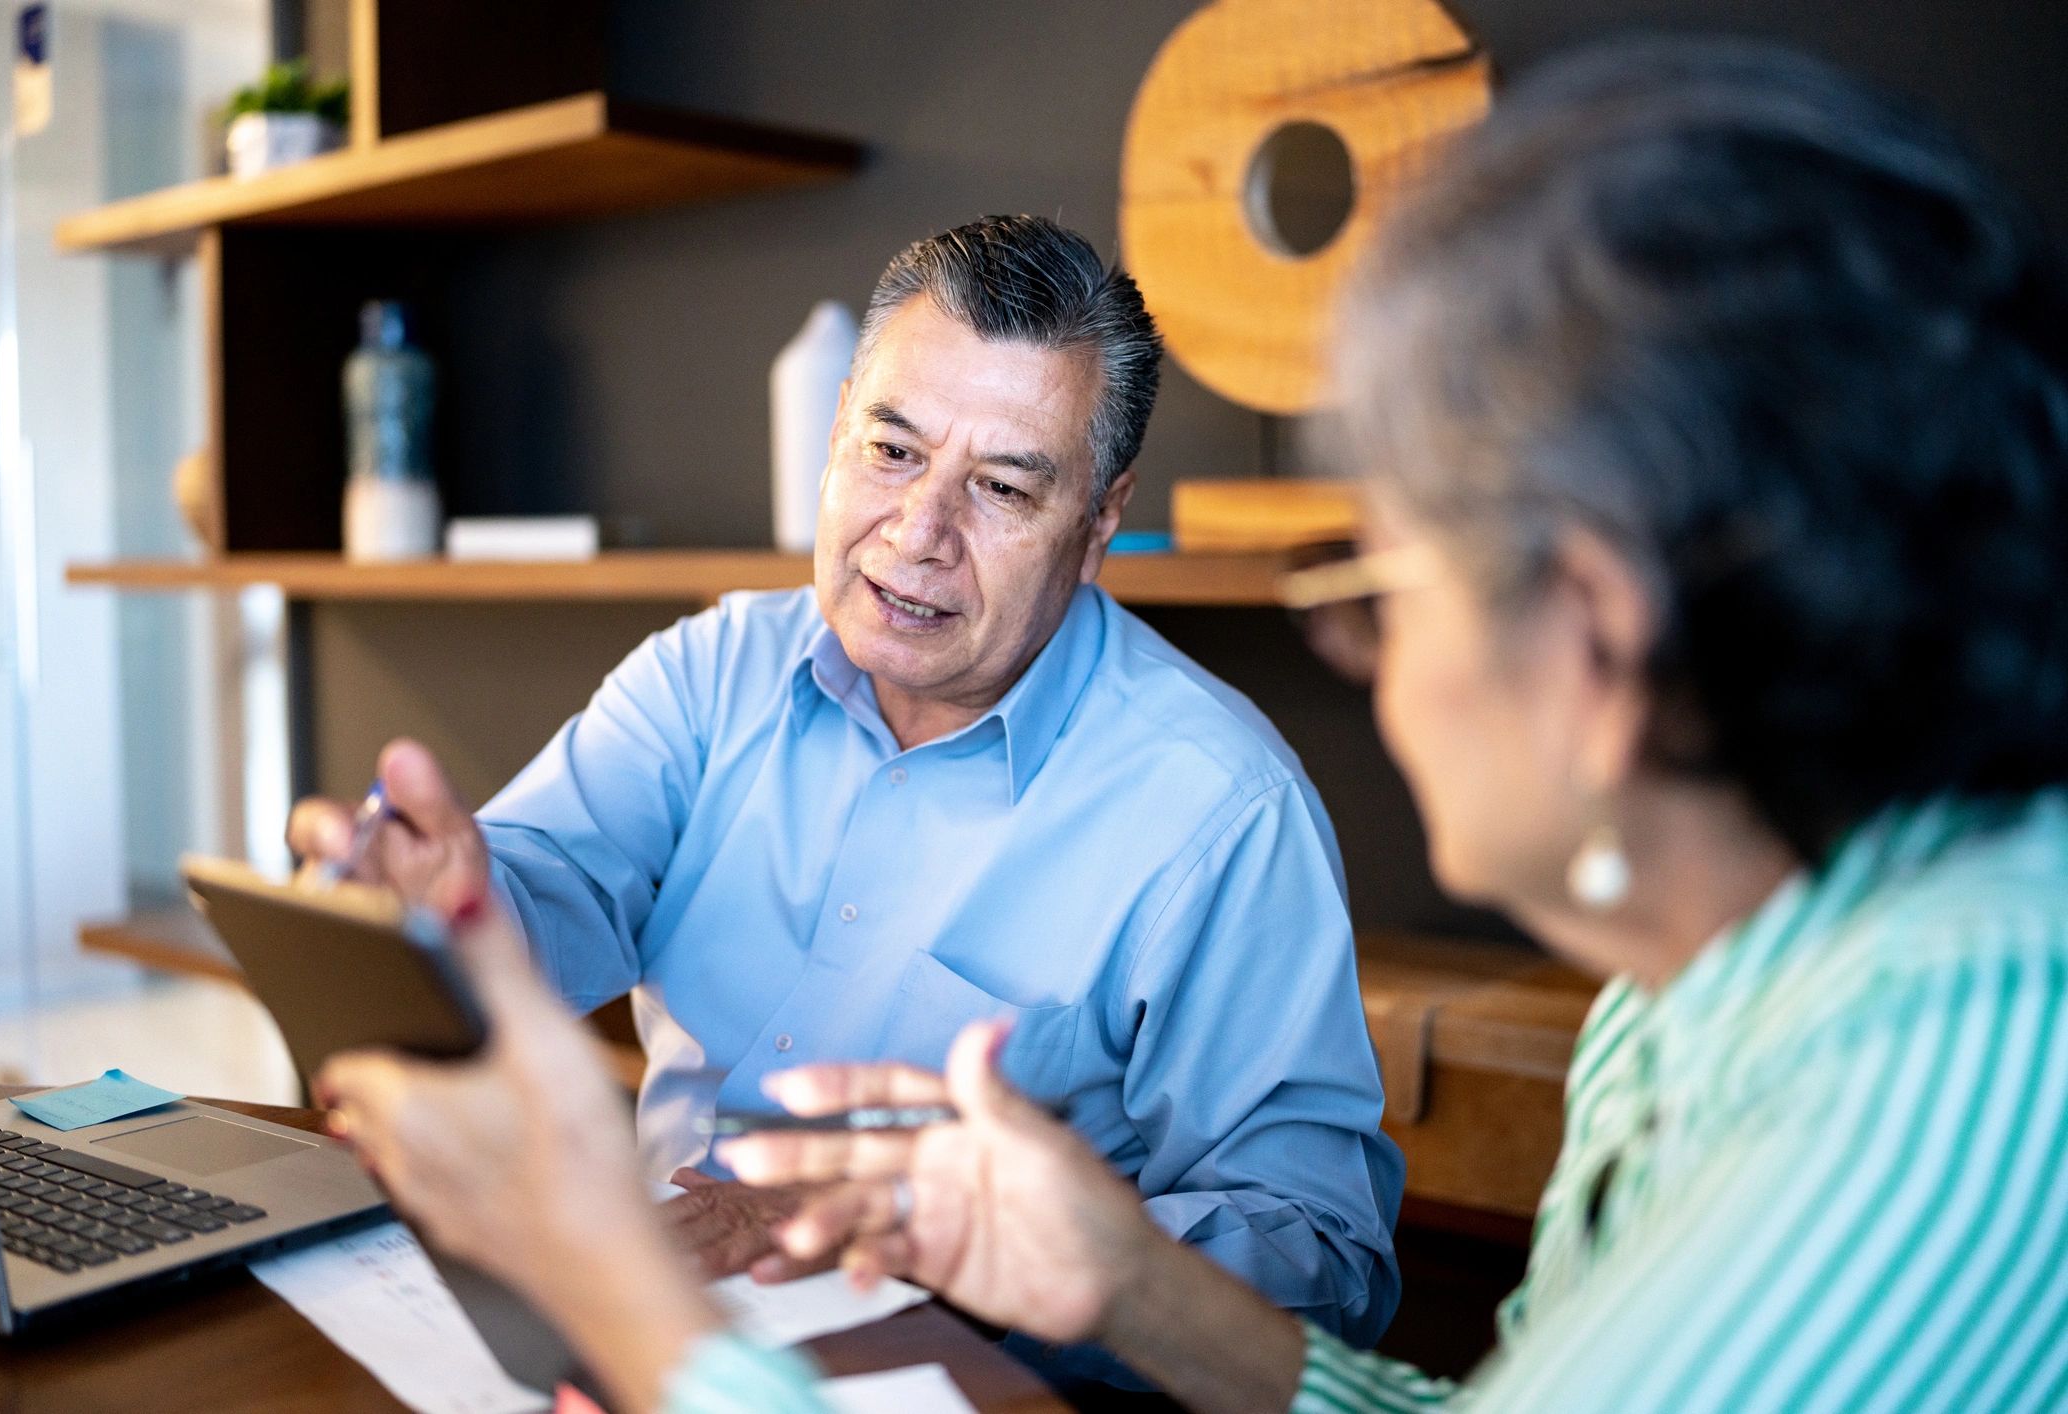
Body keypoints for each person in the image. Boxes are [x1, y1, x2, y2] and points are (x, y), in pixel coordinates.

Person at [318, 36, 2068, 1413]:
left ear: (1593, 631)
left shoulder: (1950, 1051)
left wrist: (618, 1279)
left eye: (1387, 574)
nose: (1366, 657)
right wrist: (1114, 1268)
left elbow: (1324, 1242)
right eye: (889, 448)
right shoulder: (1675, 1001)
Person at [289, 214, 1403, 1360]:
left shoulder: (1219, 809)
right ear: (834, 434)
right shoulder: (710, 672)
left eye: (1004, 489)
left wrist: (942, 1236)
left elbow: (1324, 1259)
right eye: (892, 450)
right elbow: (535, 896)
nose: (918, 531)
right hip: (636, 1327)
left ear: (1099, 517)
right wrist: (437, 914)